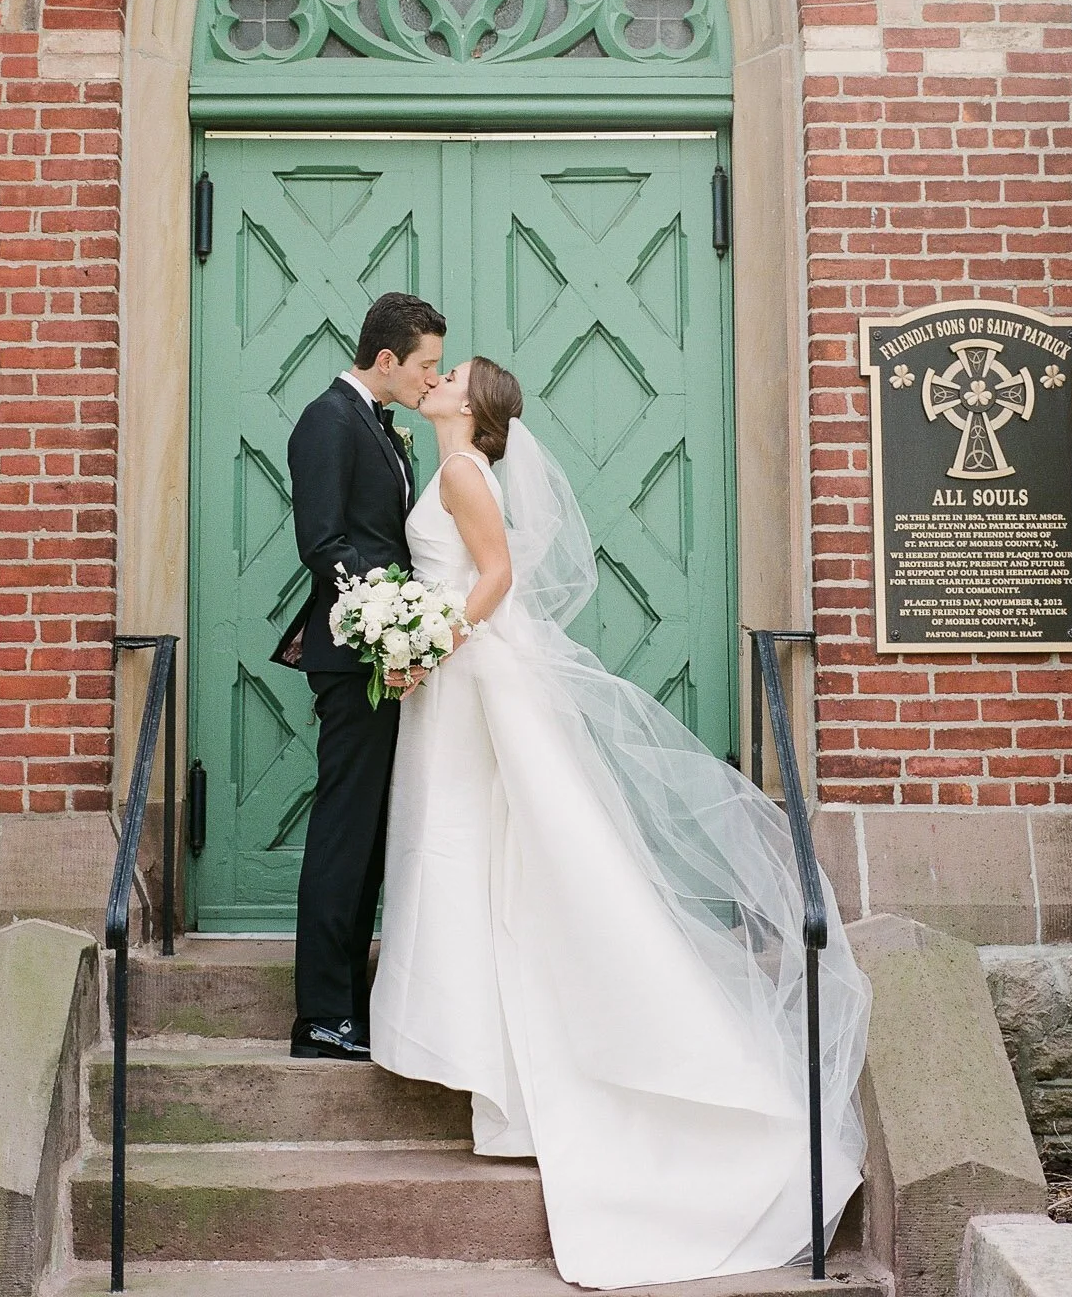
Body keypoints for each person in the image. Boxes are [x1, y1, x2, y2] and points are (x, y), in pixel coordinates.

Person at [370, 357, 871, 1289]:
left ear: (472, 409)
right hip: (469, 679)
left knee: (523, 856)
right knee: (495, 860)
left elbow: (498, 575)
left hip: (472, 674)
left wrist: (428, 641)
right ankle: (512, 1089)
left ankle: (568, 1073)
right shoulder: (446, 466)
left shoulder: (457, 473)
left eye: (454, 376)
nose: (437, 379)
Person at [279, 292, 445, 1060]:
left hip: (385, 657)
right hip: (354, 659)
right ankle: (319, 1014)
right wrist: (388, 627)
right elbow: (324, 542)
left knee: (372, 836)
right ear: (386, 360)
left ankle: (351, 1004)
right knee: (345, 832)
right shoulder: (328, 419)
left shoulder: (379, 426)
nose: (430, 380)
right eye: (426, 366)